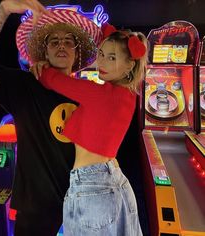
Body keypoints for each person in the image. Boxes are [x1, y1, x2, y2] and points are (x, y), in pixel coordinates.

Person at [0, 0, 102, 235]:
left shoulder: (90, 94)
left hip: (81, 206)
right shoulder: (26, 86)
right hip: (35, 210)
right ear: (45, 51)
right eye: (54, 41)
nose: (62, 45)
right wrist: (4, 9)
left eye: (69, 41)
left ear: (77, 52)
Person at [33, 29, 148, 235]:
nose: (102, 63)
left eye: (112, 58)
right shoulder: (128, 95)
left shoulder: (99, 94)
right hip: (115, 180)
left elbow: (55, 81)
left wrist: (41, 67)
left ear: (130, 65)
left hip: (92, 187)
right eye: (101, 54)